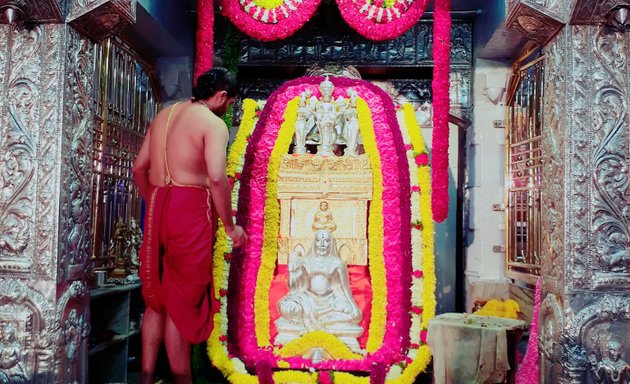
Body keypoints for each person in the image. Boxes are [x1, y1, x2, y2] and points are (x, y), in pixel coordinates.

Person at [132, 67, 247, 384]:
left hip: (158, 203)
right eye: (230, 103)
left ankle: (145, 377)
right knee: (182, 299)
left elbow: (139, 168)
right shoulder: (213, 123)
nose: (229, 110)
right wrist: (230, 225)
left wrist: (157, 202)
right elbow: (215, 177)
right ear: (222, 95)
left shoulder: (164, 115)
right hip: (190, 207)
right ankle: (183, 379)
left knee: (156, 299)